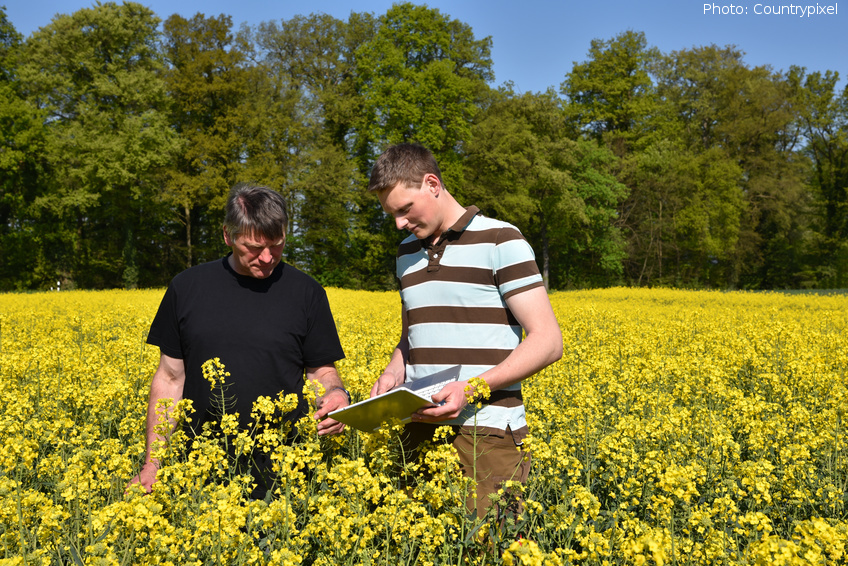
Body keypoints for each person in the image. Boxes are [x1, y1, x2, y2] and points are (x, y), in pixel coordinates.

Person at [368, 143, 563, 518]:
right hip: (420, 427)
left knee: (491, 547)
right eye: (390, 214)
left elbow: (548, 341)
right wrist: (395, 369)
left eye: (405, 210)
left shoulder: (501, 239)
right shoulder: (405, 252)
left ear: (432, 184)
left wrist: (471, 389)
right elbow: (414, 333)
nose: (399, 223)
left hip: (487, 430)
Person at [129, 183, 349, 498]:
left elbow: (321, 371)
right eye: (253, 247)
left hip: (285, 479)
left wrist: (337, 393)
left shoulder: (307, 293)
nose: (268, 257)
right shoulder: (187, 288)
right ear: (227, 236)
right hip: (200, 475)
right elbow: (169, 380)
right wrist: (154, 462)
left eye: (277, 244)